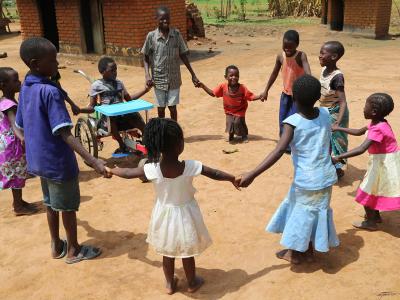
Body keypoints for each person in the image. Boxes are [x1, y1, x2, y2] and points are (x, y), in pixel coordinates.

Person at [105, 118, 238, 294]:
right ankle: (192, 282)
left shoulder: (152, 168)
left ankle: (169, 284)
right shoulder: (189, 166)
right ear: (178, 145)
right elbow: (214, 173)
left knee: (167, 252)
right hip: (186, 215)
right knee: (187, 252)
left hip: (164, 214)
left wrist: (111, 170)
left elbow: (128, 173)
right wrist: (232, 178)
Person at [16, 37, 106, 263]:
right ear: (36, 64)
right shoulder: (50, 93)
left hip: (39, 161)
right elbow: (65, 133)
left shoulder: (26, 88)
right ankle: (74, 250)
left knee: (50, 203)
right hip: (58, 162)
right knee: (67, 207)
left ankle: (56, 245)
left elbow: (20, 125)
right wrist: (93, 161)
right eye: (53, 61)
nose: (57, 64)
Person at [238, 75, 339, 264]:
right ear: (318, 96)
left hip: (306, 180)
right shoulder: (325, 114)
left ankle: (294, 253)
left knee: (301, 213)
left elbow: (278, 150)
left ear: (294, 98)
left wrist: (252, 173)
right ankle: (309, 250)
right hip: (326, 176)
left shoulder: (292, 122)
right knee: (315, 211)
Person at [332, 93, 400, 231]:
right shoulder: (378, 122)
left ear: (374, 112)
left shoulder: (378, 129)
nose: (363, 109)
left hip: (384, 164)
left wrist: (338, 157)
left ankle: (371, 222)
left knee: (366, 190)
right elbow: (359, 131)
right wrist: (339, 128)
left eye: (365, 106)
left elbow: (361, 148)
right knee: (374, 188)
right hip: (385, 162)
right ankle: (375, 216)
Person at [141, 6, 200, 121]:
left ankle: (174, 132)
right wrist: (147, 75)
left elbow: (183, 55)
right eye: (162, 19)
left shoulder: (176, 35)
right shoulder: (151, 36)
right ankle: (163, 132)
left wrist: (193, 74)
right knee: (161, 109)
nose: (165, 21)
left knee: (173, 108)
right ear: (156, 19)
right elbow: (146, 56)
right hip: (158, 79)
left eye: (167, 18)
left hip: (174, 79)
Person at [82, 56, 151, 154]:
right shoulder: (96, 86)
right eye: (112, 70)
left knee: (135, 115)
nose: (115, 72)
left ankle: (146, 140)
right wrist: (79, 110)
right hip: (107, 120)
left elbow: (129, 100)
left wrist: (145, 90)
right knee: (111, 117)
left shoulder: (119, 83)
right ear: (102, 72)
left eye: (116, 70)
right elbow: (92, 107)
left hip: (122, 116)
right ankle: (122, 145)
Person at [261, 30, 311, 141]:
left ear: (297, 45)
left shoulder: (301, 56)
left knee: (294, 120)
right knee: (283, 119)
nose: (287, 49)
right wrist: (266, 90)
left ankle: (292, 144)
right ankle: (284, 143)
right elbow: (274, 73)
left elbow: (308, 73)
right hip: (285, 94)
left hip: (298, 96)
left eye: (290, 47)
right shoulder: (280, 56)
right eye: (285, 46)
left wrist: (310, 88)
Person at [0, 67, 37, 216]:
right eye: (15, 80)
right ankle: (18, 206)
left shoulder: (5, 100)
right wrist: (23, 138)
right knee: (16, 175)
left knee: (17, 174)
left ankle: (19, 202)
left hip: (7, 144)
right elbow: (14, 123)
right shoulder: (9, 105)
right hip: (13, 146)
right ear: (3, 85)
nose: (19, 82)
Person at [197, 65, 261, 143]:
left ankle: (244, 135)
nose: (234, 77)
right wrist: (203, 86)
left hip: (240, 109)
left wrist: (260, 96)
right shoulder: (222, 87)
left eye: (236, 76)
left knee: (238, 122)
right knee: (229, 123)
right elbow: (213, 93)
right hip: (229, 110)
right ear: (226, 77)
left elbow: (251, 97)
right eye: (231, 75)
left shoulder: (242, 88)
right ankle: (231, 135)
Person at [319, 41, 349, 178]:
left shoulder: (337, 77)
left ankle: (338, 168)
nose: (319, 56)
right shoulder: (323, 70)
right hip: (325, 111)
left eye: (323, 53)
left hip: (336, 112)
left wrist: (337, 122)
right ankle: (328, 165)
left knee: (337, 141)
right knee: (325, 140)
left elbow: (343, 102)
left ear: (334, 56)